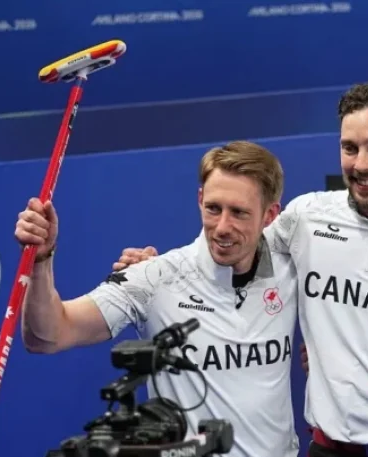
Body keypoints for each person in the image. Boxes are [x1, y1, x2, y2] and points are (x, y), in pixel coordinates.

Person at [116, 80, 368, 457]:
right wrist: (159, 270)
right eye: (349, 148)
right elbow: (234, 250)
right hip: (329, 448)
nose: (361, 163)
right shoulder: (307, 217)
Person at [16, 141, 300, 457]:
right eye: (213, 208)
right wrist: (41, 260)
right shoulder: (154, 277)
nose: (222, 227)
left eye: (239, 213)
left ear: (270, 215)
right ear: (200, 199)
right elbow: (48, 335)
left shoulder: (292, 266)